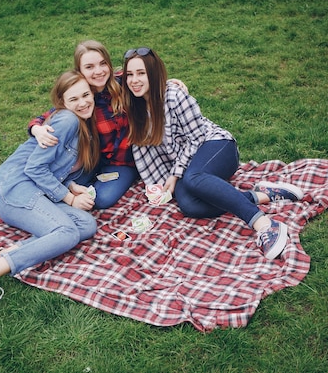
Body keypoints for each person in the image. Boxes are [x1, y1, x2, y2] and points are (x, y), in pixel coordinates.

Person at [121, 47, 304, 260]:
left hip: (216, 146)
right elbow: (104, 78)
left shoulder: (173, 95)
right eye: (130, 74)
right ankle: (263, 195)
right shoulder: (135, 104)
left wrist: (175, 173)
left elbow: (197, 137)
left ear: (153, 73)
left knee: (193, 178)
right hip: (188, 163)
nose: (134, 80)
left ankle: (264, 224)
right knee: (189, 205)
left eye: (141, 73)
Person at [0, 70, 100, 326]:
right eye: (74, 99)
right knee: (67, 232)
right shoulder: (68, 121)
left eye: (86, 95)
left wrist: (71, 185)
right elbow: (34, 168)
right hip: (14, 188)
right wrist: (67, 198)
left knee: (87, 225)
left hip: (34, 188)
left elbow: (52, 167)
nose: (83, 102)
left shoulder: (81, 126)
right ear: (63, 103)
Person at [29, 40, 187, 209]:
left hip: (125, 162)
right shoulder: (81, 97)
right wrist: (36, 128)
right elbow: (52, 113)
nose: (98, 71)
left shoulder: (122, 83)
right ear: (80, 71)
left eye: (103, 64)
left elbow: (145, 81)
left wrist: (169, 83)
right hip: (94, 160)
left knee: (102, 199)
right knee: (56, 184)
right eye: (89, 67)